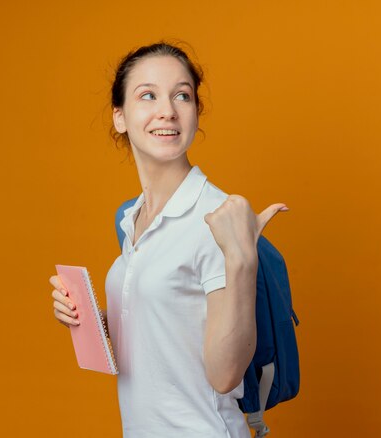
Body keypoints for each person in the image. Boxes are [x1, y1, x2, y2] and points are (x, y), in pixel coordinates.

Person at [50, 42, 287, 437]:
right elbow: (171, 333)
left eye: (182, 95)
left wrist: (242, 261)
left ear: (196, 113)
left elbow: (225, 374)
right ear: (120, 117)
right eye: (148, 95)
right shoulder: (131, 218)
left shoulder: (214, 217)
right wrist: (92, 322)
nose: (168, 110)